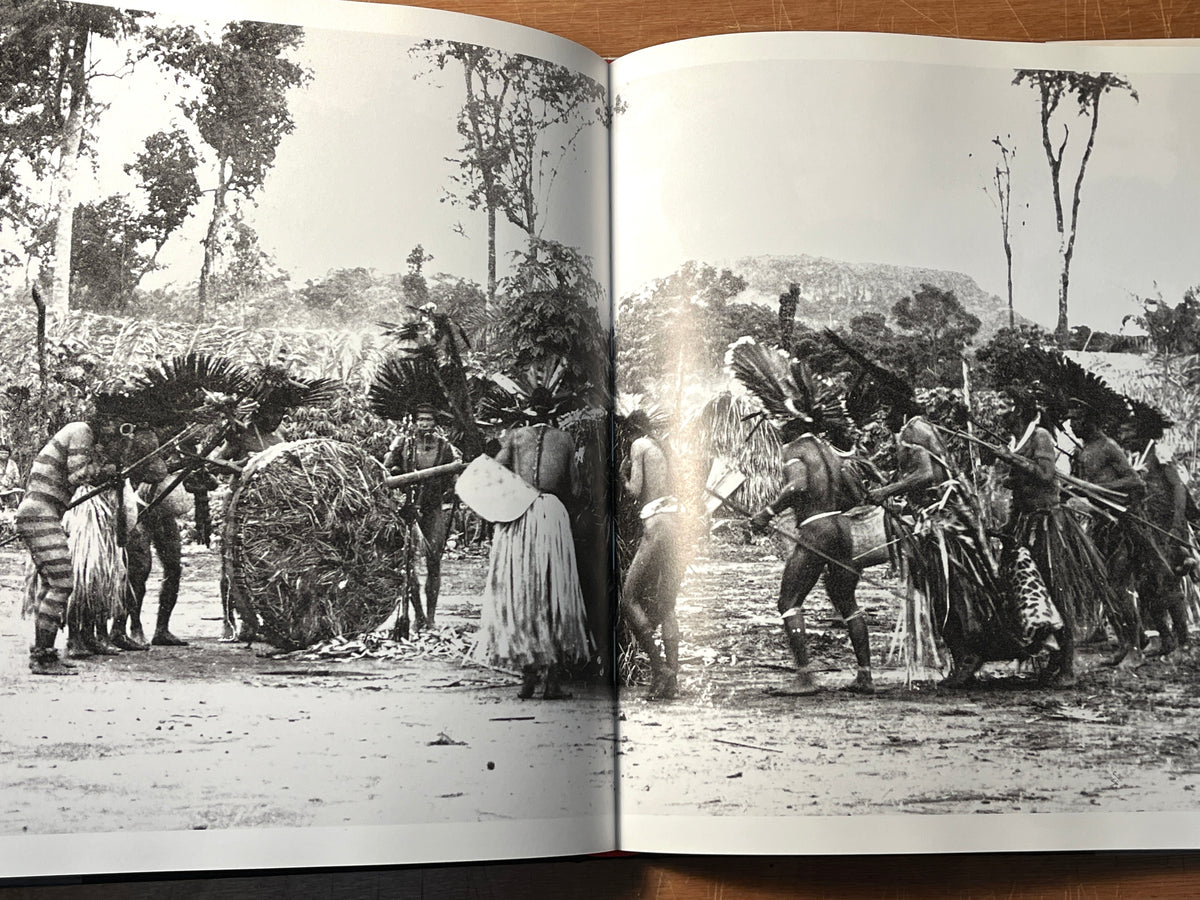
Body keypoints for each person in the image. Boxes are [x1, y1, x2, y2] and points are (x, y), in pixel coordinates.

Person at [472, 395, 592, 699]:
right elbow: (576, 487)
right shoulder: (565, 439)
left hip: (518, 514)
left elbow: (494, 471)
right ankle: (551, 682)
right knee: (553, 592)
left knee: (522, 591)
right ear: (553, 413)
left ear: (526, 412)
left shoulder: (515, 437)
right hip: (551, 515)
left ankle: (527, 679)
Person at [17, 407, 135, 675]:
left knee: (53, 584)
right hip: (40, 512)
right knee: (62, 584)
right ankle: (43, 657)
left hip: (44, 513)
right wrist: (108, 459)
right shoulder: (81, 431)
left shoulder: (85, 436)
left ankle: (44, 653)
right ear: (103, 420)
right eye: (114, 422)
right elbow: (78, 476)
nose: (115, 427)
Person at [1070, 403, 1149, 669]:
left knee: (1120, 587)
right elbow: (1079, 490)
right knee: (1107, 590)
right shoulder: (1082, 452)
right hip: (1099, 525)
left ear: (1092, 420)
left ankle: (1136, 649)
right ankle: (1125, 644)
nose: (1072, 424)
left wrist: (1098, 487)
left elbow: (1136, 482)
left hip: (1122, 526)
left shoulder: (1108, 447)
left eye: (1077, 419)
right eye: (1070, 419)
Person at [620, 410, 688, 700]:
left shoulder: (639, 446)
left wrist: (620, 475)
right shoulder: (663, 446)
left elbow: (635, 491)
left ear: (632, 429)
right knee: (666, 604)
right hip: (677, 525)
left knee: (627, 597)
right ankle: (672, 679)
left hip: (657, 525)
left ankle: (660, 669)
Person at [384, 403, 461, 627]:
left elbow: (452, 475)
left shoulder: (445, 447)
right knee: (408, 564)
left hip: (432, 508)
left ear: (435, 423)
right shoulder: (404, 444)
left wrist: (448, 488)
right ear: (414, 422)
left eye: (428, 420)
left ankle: (431, 617)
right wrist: (398, 474)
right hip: (408, 510)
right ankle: (417, 614)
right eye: (421, 420)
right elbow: (386, 468)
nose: (424, 424)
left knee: (434, 560)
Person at [0, 443, 23, 510]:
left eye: (6, 453)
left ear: (9, 454)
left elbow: (17, 477)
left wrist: (13, 484)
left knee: (13, 503)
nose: (4, 455)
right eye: (1, 453)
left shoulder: (12, 463)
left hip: (10, 489)